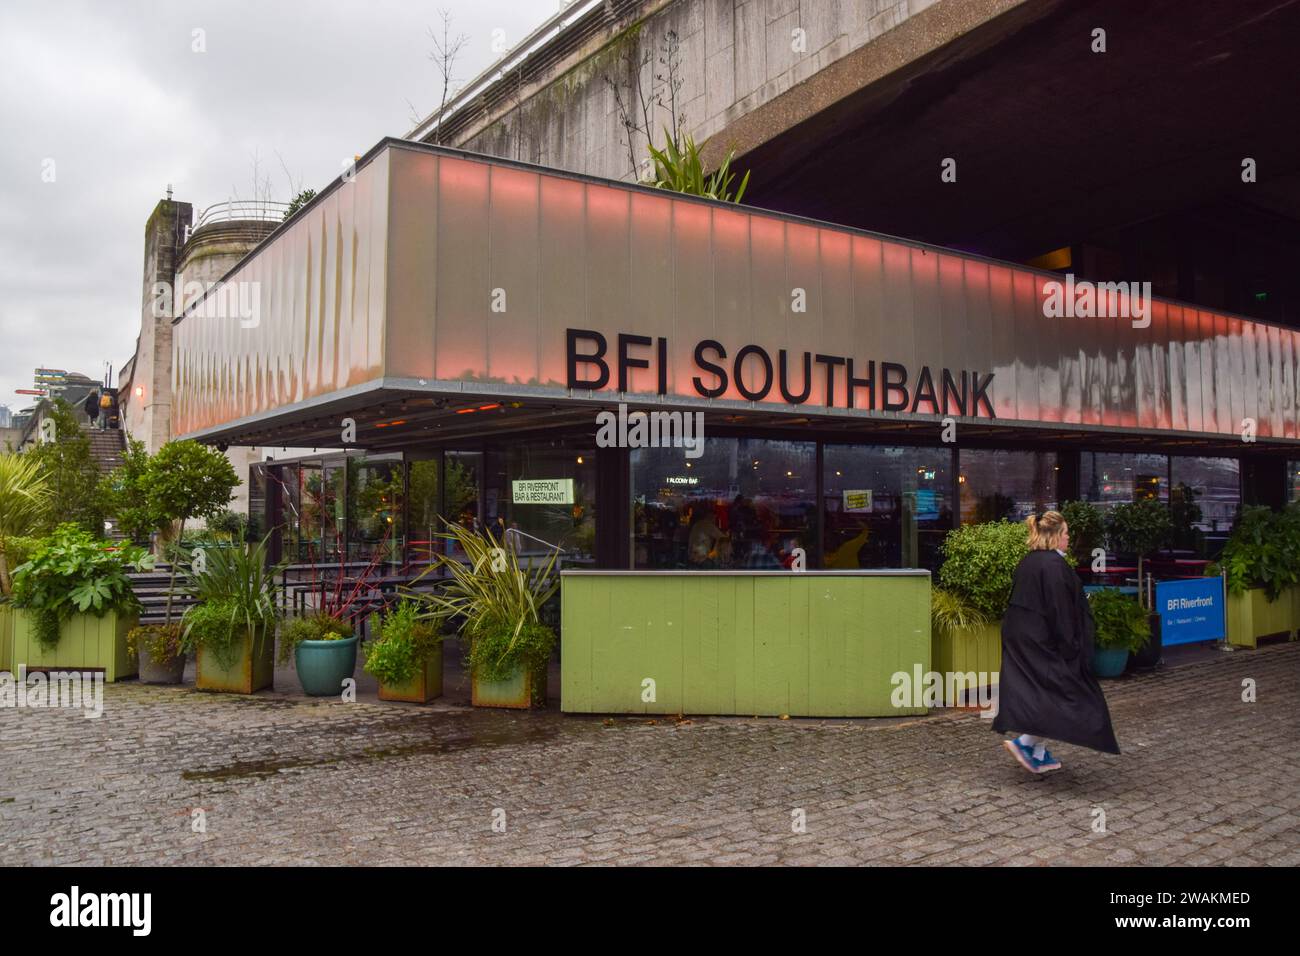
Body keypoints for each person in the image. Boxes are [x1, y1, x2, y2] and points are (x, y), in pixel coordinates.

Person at [993, 510, 1121, 773]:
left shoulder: (1029, 561)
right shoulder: (1053, 567)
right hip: (1044, 642)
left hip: (1024, 639)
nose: (1069, 537)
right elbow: (1060, 611)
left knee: (1043, 692)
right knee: (1067, 693)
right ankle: (1026, 743)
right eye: (1065, 533)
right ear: (1055, 536)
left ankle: (1037, 750)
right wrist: (1072, 648)